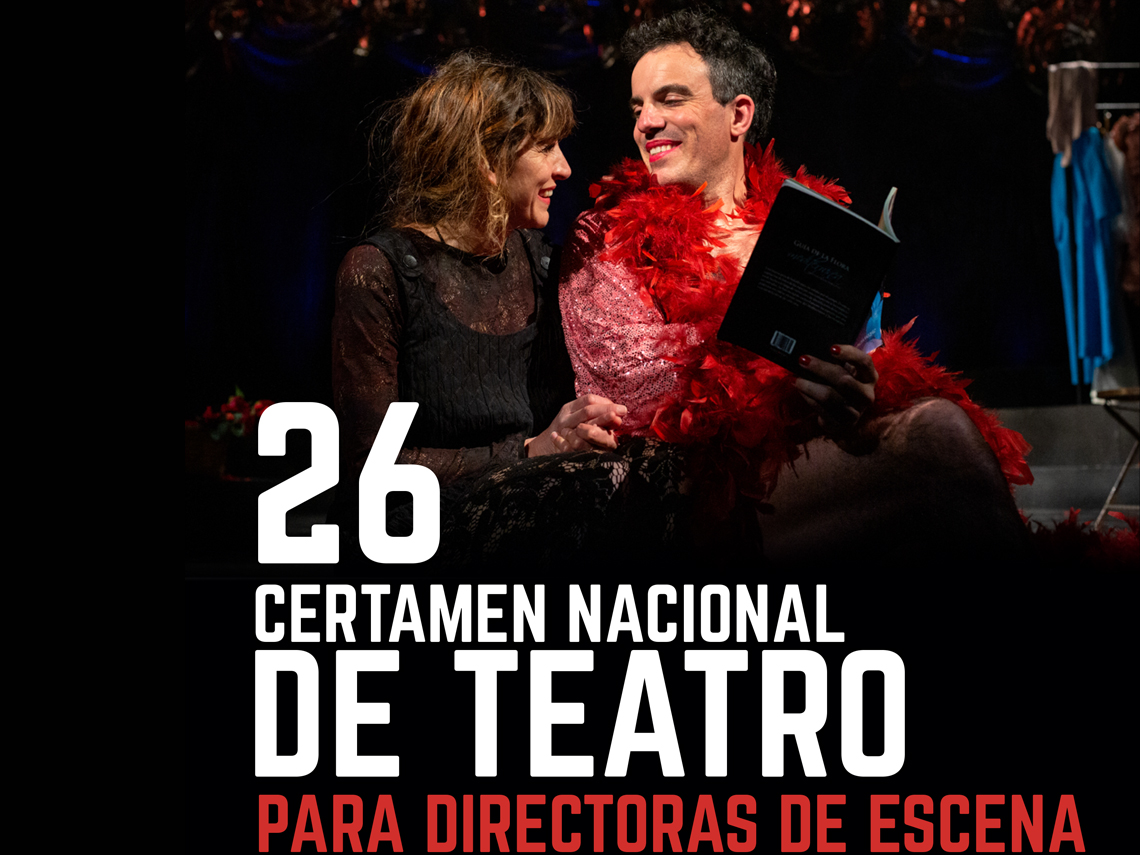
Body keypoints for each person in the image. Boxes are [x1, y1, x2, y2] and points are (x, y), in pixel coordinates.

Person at [559, 8, 1034, 562]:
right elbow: (630, 391)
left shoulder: (809, 232)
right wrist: (782, 377)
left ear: (738, 115)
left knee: (934, 461)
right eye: (638, 107)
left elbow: (866, 354)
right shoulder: (604, 235)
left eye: (670, 99)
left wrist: (853, 390)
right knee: (939, 437)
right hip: (692, 496)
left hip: (812, 465)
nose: (645, 122)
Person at [330, 52, 630, 556]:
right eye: (545, 147)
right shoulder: (380, 272)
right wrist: (528, 453)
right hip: (420, 545)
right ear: (487, 161)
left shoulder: (546, 265)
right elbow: (373, 466)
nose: (564, 167)